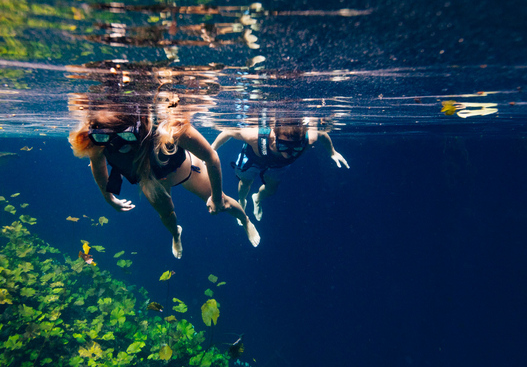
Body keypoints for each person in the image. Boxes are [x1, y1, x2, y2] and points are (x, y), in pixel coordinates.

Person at [70, 106, 260, 258]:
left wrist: (217, 197)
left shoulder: (170, 128)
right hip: (151, 182)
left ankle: (245, 220)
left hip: (186, 170)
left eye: (126, 136)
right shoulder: (99, 139)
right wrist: (108, 197)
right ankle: (176, 234)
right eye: (106, 137)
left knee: (224, 203)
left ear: (140, 125)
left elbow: (211, 157)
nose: (116, 144)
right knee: (167, 215)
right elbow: (98, 166)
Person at [211, 117, 349, 222]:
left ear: (301, 141)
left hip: (278, 165)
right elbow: (228, 132)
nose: (289, 152)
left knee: (271, 190)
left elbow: (323, 134)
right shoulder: (255, 136)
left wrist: (332, 152)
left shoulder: (309, 139)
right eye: (283, 146)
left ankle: (257, 198)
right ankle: (241, 202)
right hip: (254, 158)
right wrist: (211, 151)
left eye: (296, 147)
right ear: (274, 138)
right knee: (245, 183)